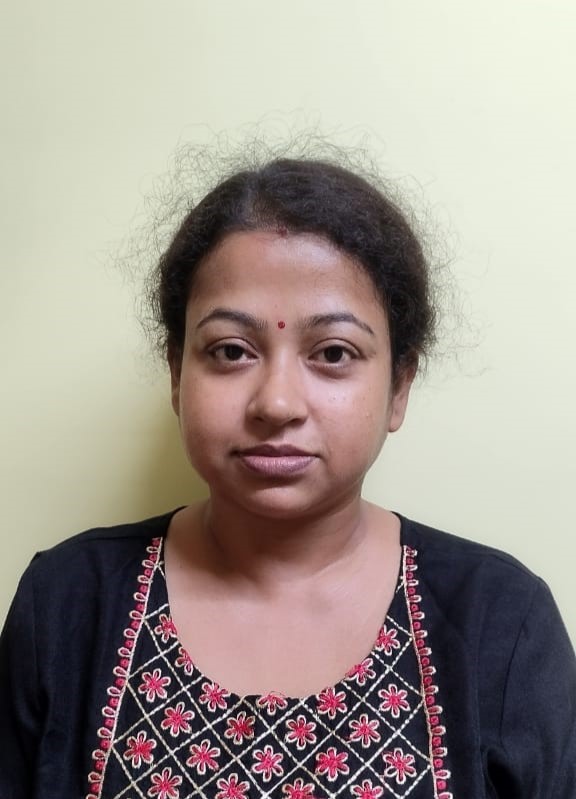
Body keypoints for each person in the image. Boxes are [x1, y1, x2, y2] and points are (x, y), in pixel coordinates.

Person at [0, 156, 574, 799]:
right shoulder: (66, 604)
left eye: (333, 353)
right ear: (176, 374)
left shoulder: (503, 623)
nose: (276, 403)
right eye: (230, 351)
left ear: (399, 387)